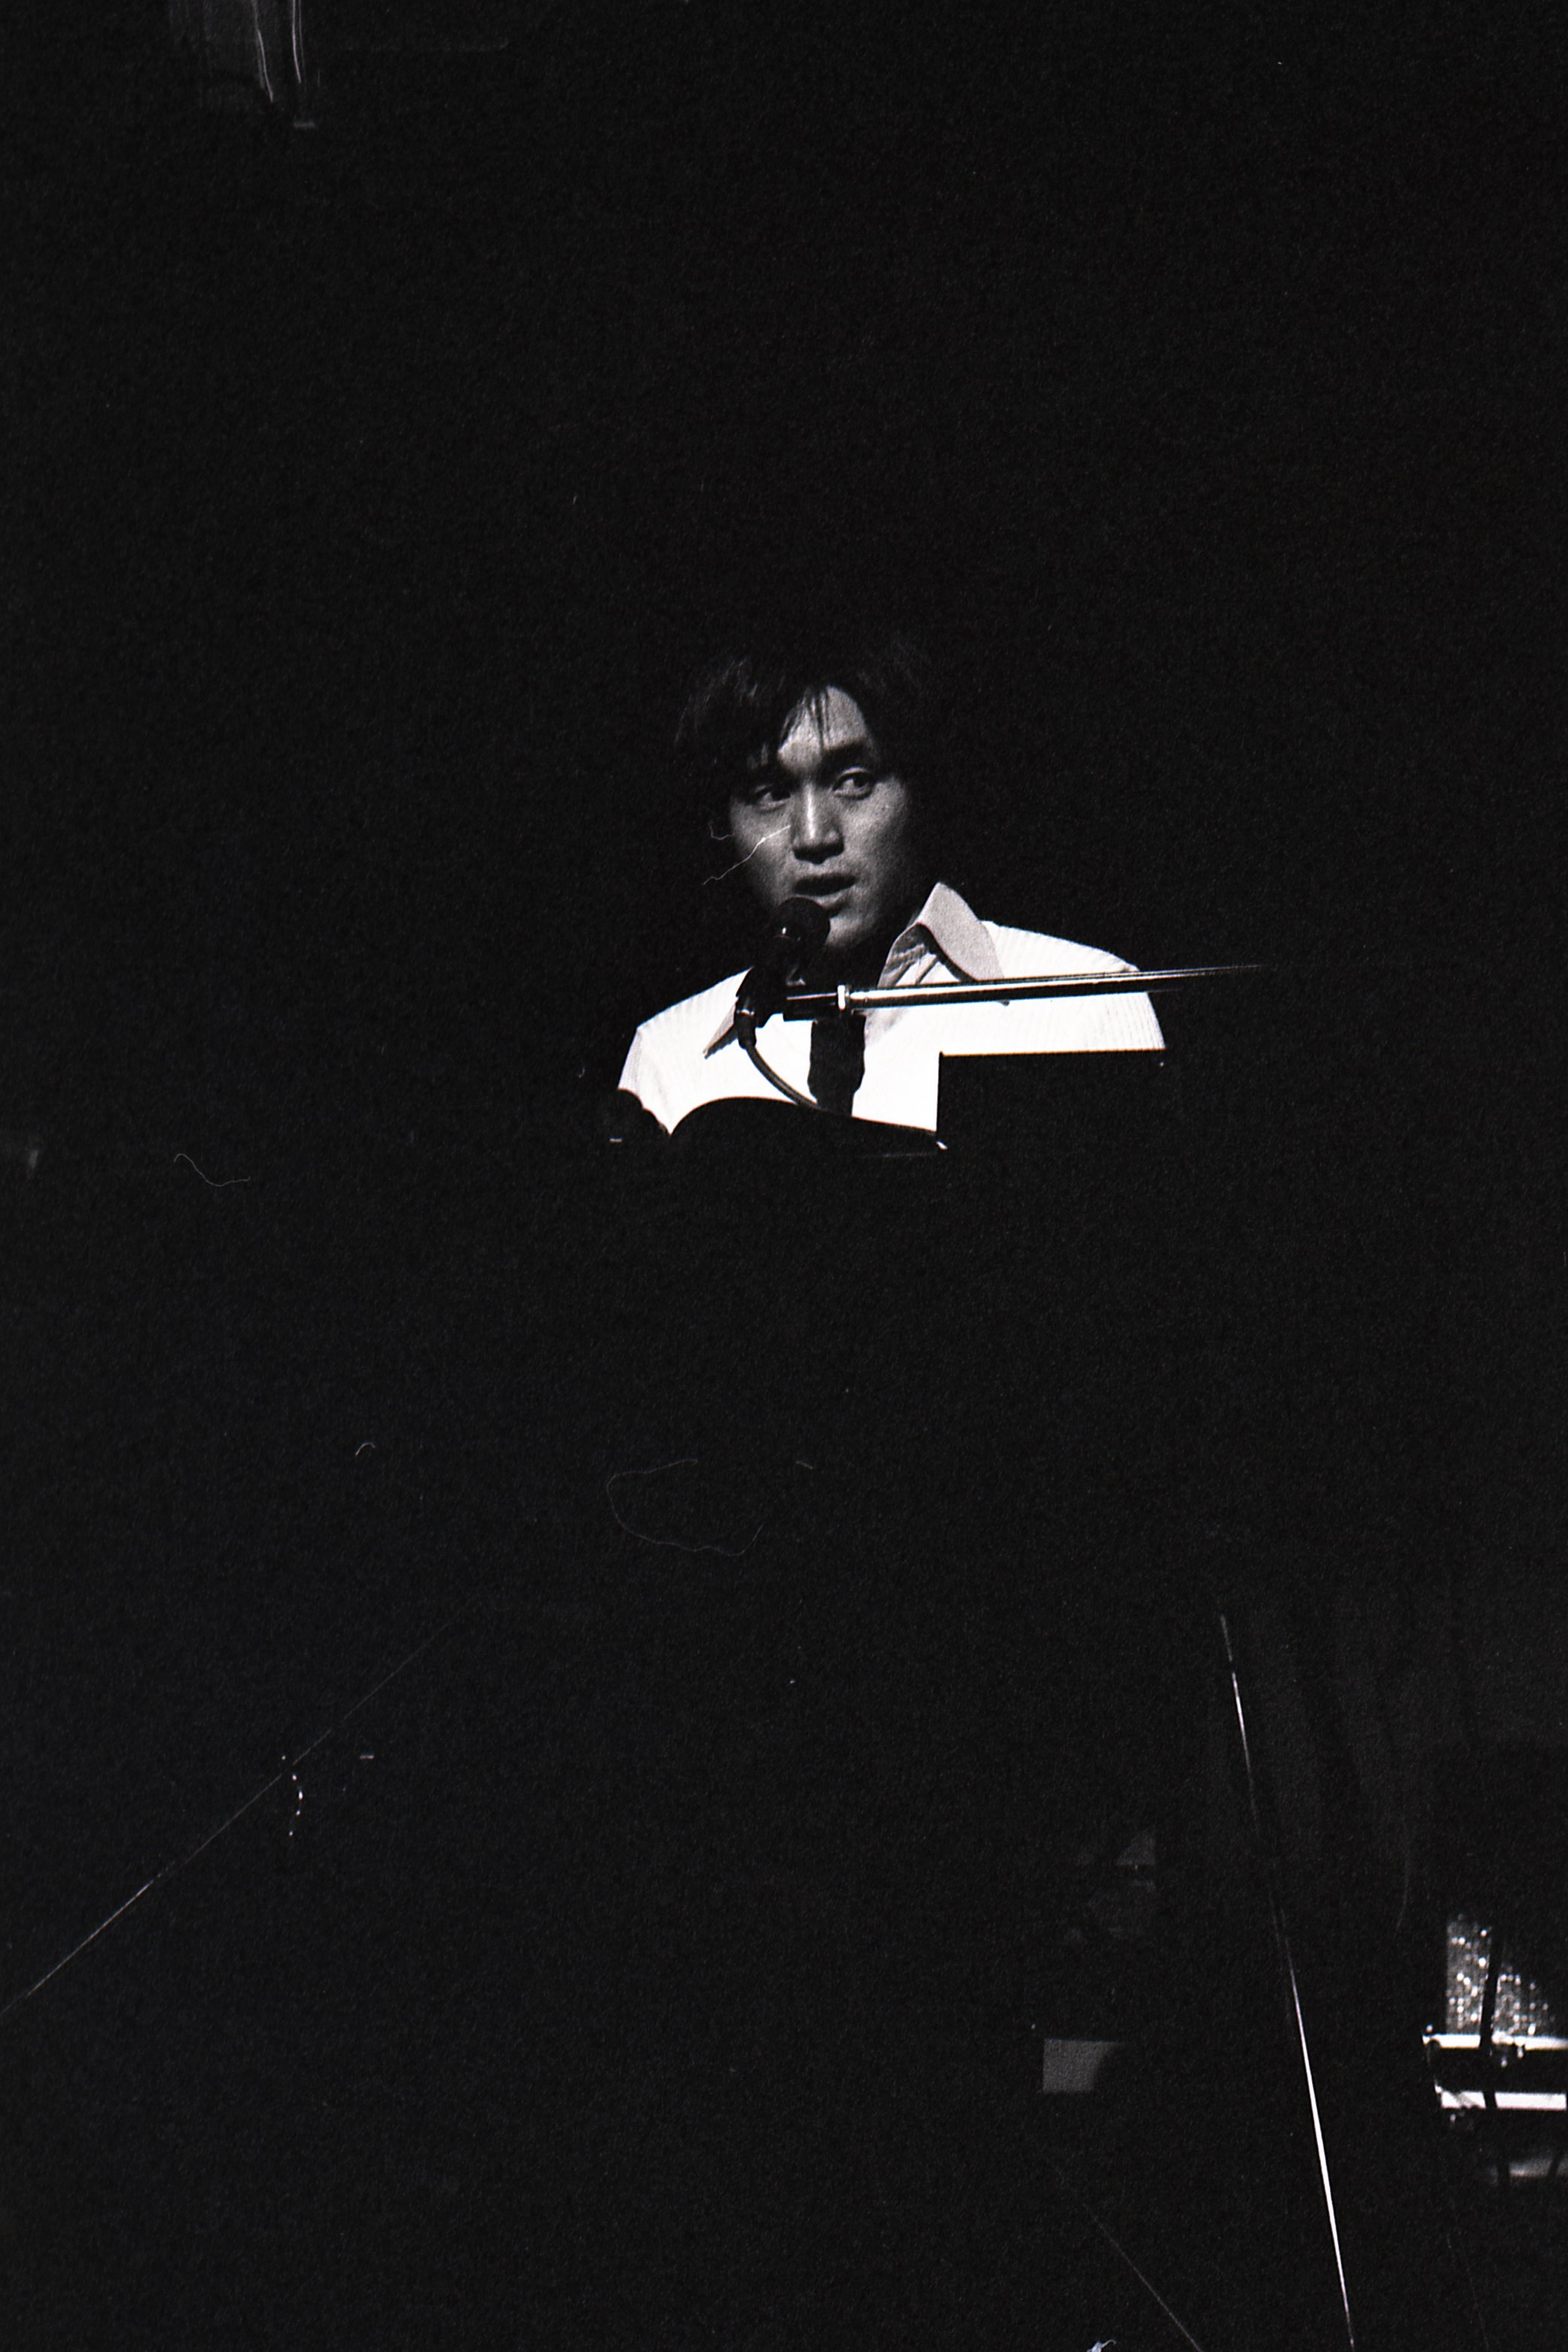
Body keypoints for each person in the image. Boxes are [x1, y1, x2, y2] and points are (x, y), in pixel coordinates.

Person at [617, 626, 1162, 1134]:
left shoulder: (1083, 1006)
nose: (813, 836)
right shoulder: (669, 1057)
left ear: (921, 791)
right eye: (770, 794)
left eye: (853, 781)